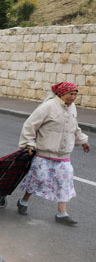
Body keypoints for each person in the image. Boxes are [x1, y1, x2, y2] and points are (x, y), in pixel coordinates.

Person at [16, 82, 91, 226]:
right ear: (61, 93)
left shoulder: (72, 107)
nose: (73, 97)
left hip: (63, 155)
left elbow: (74, 127)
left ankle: (62, 213)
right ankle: (23, 201)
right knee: (37, 180)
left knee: (64, 183)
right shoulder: (48, 107)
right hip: (45, 153)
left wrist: (83, 141)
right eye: (71, 94)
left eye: (76, 94)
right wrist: (29, 144)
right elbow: (30, 125)